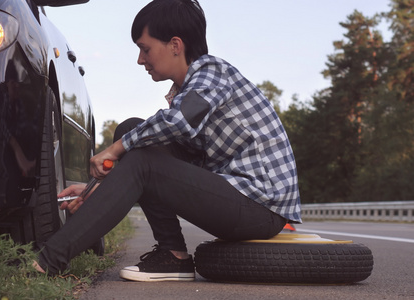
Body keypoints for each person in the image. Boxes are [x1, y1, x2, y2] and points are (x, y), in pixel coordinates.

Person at [34, 0, 301, 282]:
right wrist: (99, 187)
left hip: (261, 207)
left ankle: (49, 261)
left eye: (145, 48)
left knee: (137, 153)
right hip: (236, 195)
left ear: (175, 45)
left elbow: (177, 123)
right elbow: (171, 154)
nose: (140, 59)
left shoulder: (212, 73)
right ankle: (173, 255)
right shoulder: (191, 88)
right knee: (131, 130)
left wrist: (115, 149)